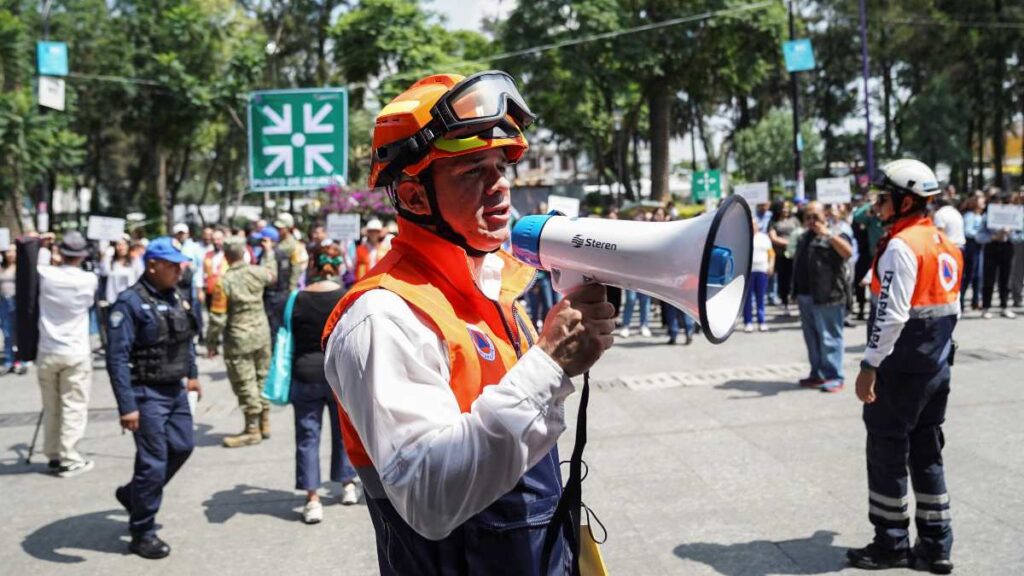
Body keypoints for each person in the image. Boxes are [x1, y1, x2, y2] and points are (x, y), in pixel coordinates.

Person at [322, 71, 614, 574]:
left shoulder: (495, 288)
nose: (500, 186)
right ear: (413, 198)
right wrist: (548, 366)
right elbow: (428, 499)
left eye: (501, 166)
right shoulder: (380, 316)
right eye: (471, 171)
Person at [848, 159, 961, 574]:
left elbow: (891, 316)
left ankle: (891, 542)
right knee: (927, 451)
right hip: (936, 366)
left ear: (906, 201)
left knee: (887, 450)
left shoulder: (901, 245)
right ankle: (935, 546)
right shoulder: (943, 242)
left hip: (900, 370)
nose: (878, 206)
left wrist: (869, 365)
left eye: (883, 198)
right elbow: (953, 309)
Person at [105, 237, 202, 559]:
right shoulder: (129, 303)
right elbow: (116, 358)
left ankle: (134, 495)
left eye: (179, 265)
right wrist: (127, 406)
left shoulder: (175, 295)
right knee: (153, 462)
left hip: (174, 389)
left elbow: (185, 339)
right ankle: (142, 531)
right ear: (152, 265)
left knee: (183, 446)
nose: (178, 271)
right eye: (172, 265)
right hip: (145, 393)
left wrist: (193, 373)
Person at [291, 241, 358, 524]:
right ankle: (348, 484)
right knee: (344, 433)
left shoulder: (296, 299)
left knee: (307, 437)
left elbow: (286, 335)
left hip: (304, 373)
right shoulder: (345, 296)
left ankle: (312, 499)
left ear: (313, 266)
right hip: (338, 376)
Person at [37, 231, 100, 477]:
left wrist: (44, 246)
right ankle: (69, 456)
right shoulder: (88, 280)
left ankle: (52, 453)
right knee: (73, 405)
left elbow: (35, 262)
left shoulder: (46, 275)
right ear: (82, 255)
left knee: (51, 406)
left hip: (48, 349)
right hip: (75, 350)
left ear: (60, 253)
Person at [207, 235, 276, 447]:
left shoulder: (224, 282)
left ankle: (252, 429)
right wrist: (269, 252)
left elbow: (217, 318)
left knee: (244, 382)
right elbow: (271, 274)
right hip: (262, 334)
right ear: (244, 253)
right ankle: (265, 422)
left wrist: (210, 342)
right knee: (262, 377)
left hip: (239, 339)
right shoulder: (257, 273)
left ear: (226, 256)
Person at [793, 201, 854, 393]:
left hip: (828, 296)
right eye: (807, 217)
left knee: (830, 338)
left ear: (825, 216)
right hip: (805, 296)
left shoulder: (835, 233)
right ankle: (817, 374)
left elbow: (847, 252)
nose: (811, 221)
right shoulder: (803, 237)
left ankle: (835, 376)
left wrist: (827, 234)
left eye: (815, 216)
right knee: (812, 339)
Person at [976, 193, 1017, 319]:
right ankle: (986, 307)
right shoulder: (986, 217)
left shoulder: (1012, 217)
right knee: (989, 279)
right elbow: (979, 236)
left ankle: (1004, 306)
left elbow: (1020, 236)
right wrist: (993, 237)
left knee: (1005, 279)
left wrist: (1010, 233)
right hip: (991, 247)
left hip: (1007, 247)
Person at [768, 200, 800, 315]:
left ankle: (795, 300)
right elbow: (773, 237)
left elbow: (800, 232)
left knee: (795, 278)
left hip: (795, 254)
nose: (785, 210)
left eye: (787, 207)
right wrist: (789, 243)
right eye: (783, 208)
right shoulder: (773, 222)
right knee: (783, 279)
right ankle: (785, 302)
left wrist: (795, 244)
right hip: (781, 255)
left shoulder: (794, 220)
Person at [959, 193, 986, 309]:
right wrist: (981, 236)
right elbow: (968, 231)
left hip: (978, 247)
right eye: (981, 200)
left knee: (978, 275)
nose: (984, 202)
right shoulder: (969, 216)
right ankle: (961, 301)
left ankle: (975, 300)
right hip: (971, 246)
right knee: (968, 275)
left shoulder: (980, 216)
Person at [101, 236, 143, 305]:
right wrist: (105, 255)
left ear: (128, 246)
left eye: (124, 244)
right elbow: (104, 272)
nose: (121, 247)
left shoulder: (134, 260)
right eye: (118, 245)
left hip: (130, 301)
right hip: (113, 301)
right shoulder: (111, 261)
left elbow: (140, 275)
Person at [273, 213, 310, 290]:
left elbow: (296, 268)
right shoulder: (276, 241)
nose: (278, 230)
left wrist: (292, 288)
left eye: (281, 228)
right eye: (277, 227)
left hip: (285, 285)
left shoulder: (294, 245)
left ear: (289, 228)